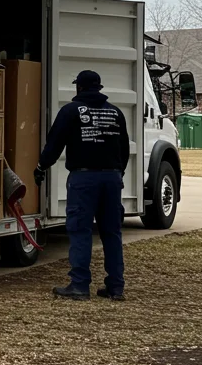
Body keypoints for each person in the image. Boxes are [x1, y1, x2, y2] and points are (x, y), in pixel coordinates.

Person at [35, 70, 131, 301]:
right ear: (99, 88)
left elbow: (54, 144)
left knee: (80, 231)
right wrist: (118, 173)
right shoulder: (115, 113)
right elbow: (124, 148)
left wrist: (41, 166)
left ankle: (79, 285)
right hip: (111, 178)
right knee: (112, 232)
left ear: (79, 88)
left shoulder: (70, 111)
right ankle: (115, 287)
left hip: (83, 178)